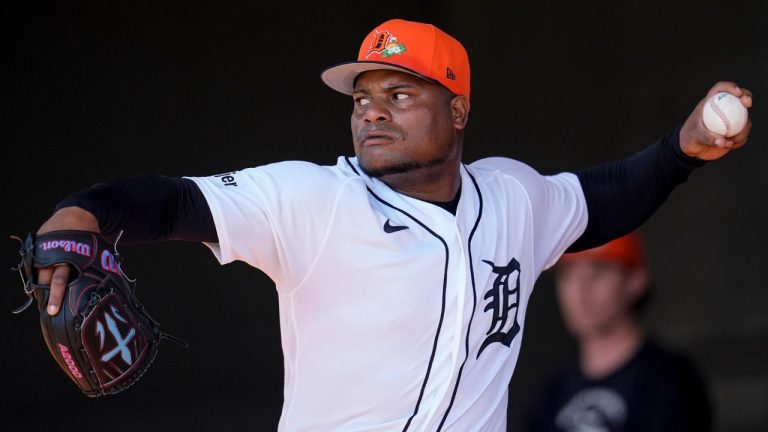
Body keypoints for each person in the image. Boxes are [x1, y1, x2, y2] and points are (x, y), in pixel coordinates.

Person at [32, 18, 750, 431]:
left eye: (400, 93)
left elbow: (606, 199)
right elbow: (174, 201)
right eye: (363, 97)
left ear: (458, 110)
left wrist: (683, 150)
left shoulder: (512, 198)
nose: (372, 110)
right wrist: (83, 211)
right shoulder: (314, 201)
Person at [524, 232, 712, 432]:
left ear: (635, 280)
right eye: (568, 276)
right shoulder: (551, 394)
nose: (580, 290)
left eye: (597, 273)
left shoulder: (670, 381)